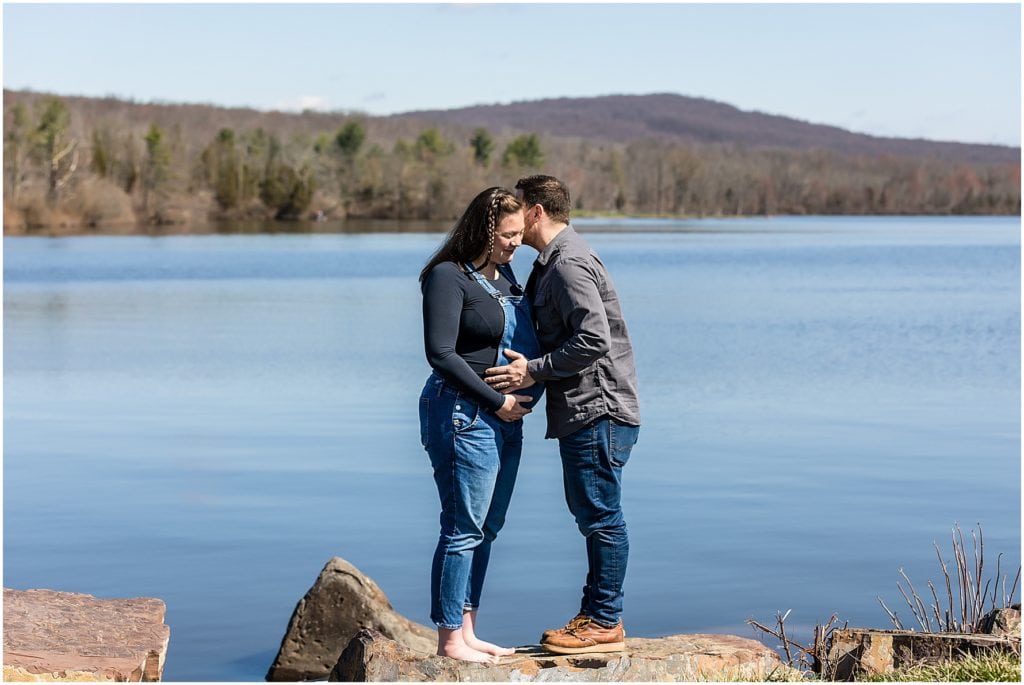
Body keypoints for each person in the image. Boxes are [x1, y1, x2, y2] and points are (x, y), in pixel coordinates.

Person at [484, 175, 641, 655]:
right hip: (592, 409)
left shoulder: (568, 264)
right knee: (593, 513)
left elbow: (593, 339)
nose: (512, 219)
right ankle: (598, 617)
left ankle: (602, 621)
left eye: (518, 209)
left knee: (600, 516)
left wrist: (532, 371)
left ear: (534, 212)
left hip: (598, 409)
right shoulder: (553, 263)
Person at [418, 187, 544, 663]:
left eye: (519, 234)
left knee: (487, 528)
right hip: (463, 413)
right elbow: (441, 354)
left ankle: (468, 629)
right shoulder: (447, 277)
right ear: (485, 230)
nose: (516, 243)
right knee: (461, 528)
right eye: (508, 235)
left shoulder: (505, 274)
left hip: (505, 417)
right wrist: (497, 400)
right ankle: (450, 641)